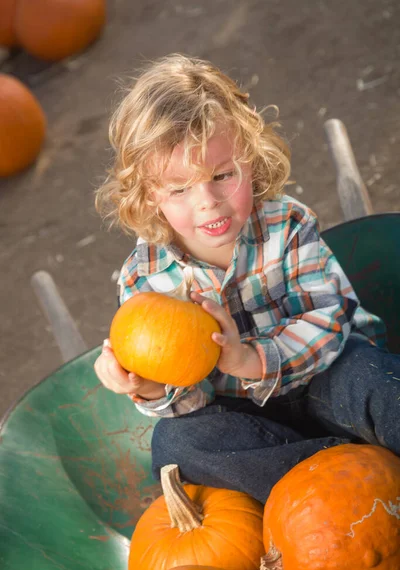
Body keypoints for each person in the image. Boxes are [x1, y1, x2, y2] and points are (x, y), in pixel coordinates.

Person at [94, 54, 400, 504]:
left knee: (369, 378)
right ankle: (343, 485)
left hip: (322, 379)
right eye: (179, 188)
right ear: (148, 194)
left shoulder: (286, 225)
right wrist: (149, 386)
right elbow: (189, 402)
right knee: (176, 445)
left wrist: (247, 359)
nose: (208, 202)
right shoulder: (145, 279)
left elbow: (329, 321)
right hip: (246, 424)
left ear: (251, 162)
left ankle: (362, 462)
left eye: (222, 175)